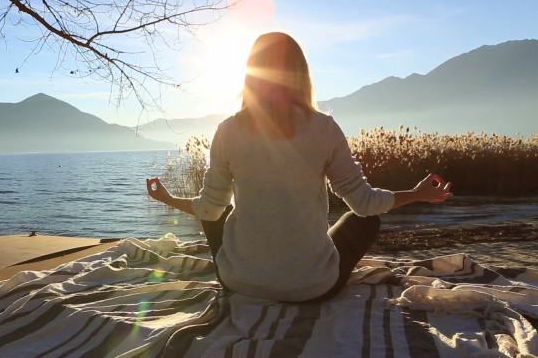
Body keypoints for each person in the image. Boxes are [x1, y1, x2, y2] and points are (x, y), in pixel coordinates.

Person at [146, 32, 452, 302]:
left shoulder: (227, 131)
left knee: (217, 211)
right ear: (300, 74)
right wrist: (415, 193)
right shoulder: (324, 129)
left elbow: (209, 211)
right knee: (364, 220)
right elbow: (364, 204)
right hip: (313, 288)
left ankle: (259, 268)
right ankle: (304, 262)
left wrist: (169, 199)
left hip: (239, 284)